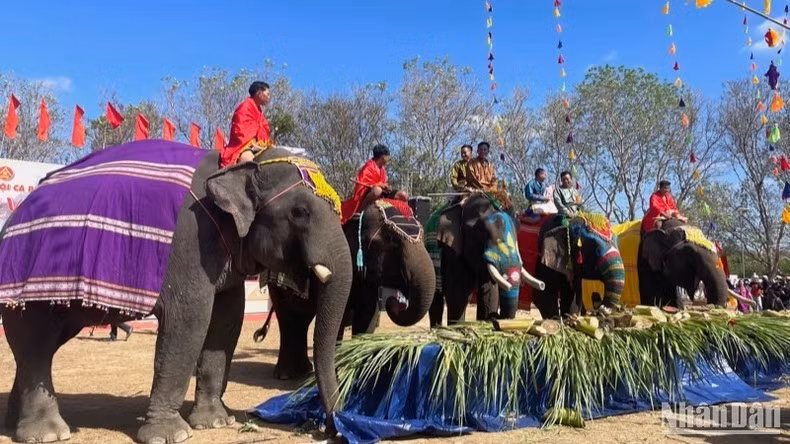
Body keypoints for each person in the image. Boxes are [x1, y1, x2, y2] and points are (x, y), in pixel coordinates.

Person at [340, 144, 408, 223]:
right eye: (388, 156)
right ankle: (359, 213)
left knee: (403, 195)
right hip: (370, 193)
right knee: (377, 191)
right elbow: (362, 185)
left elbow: (383, 183)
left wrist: (386, 187)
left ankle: (403, 216)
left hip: (383, 194)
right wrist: (378, 185)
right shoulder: (368, 166)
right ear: (383, 157)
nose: (389, 159)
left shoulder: (382, 169)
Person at [219, 81, 272, 168]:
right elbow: (239, 131)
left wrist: (261, 143)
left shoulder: (259, 111)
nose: (269, 97)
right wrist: (252, 143)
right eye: (267, 94)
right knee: (248, 160)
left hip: (259, 145)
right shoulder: (244, 108)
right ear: (259, 93)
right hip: (243, 146)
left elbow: (263, 129)